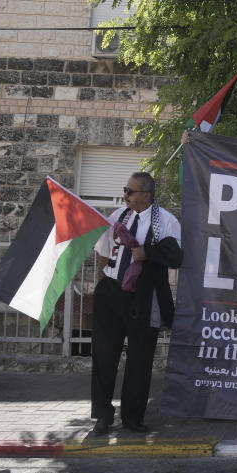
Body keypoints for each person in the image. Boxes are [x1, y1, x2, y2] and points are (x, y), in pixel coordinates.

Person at [90, 171, 182, 434]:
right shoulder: (117, 216)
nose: (125, 195)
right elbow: (104, 252)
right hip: (111, 292)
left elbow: (175, 257)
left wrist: (147, 253)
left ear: (146, 195)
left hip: (144, 295)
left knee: (140, 359)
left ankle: (132, 417)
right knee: (104, 356)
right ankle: (102, 415)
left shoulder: (165, 221)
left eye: (130, 191)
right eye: (125, 190)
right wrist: (101, 286)